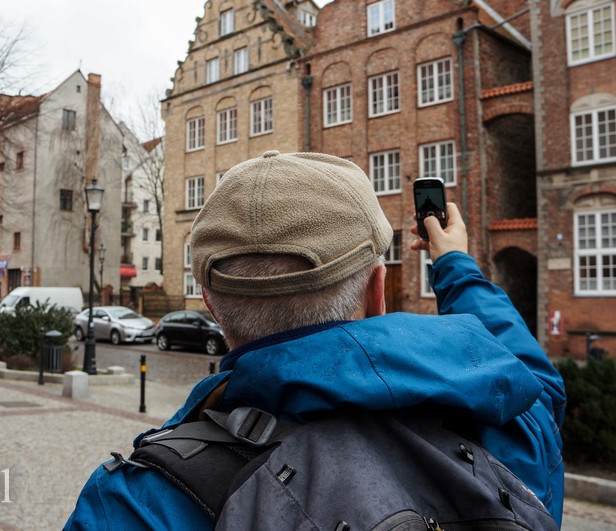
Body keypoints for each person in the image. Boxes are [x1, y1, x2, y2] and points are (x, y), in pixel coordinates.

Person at [64, 151, 565, 529]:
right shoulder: (504, 426)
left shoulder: (135, 502)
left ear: (211, 308)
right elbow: (533, 380)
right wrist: (455, 264)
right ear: (377, 291)